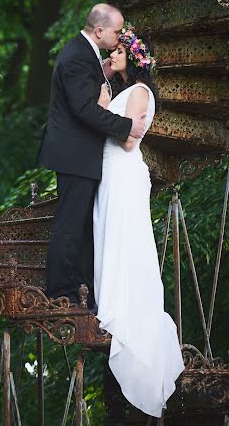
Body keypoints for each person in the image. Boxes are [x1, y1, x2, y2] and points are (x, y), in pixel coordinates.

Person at [93, 25, 184, 417]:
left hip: (123, 173)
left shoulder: (141, 92)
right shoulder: (119, 90)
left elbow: (129, 139)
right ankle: (110, 303)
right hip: (108, 174)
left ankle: (127, 320)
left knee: (124, 242)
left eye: (115, 53)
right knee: (109, 240)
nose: (109, 57)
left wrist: (99, 109)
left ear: (133, 56)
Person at [37, 4, 147, 309]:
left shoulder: (84, 54)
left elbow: (90, 94)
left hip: (81, 155)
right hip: (74, 154)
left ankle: (85, 291)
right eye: (116, 31)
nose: (119, 37)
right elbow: (84, 109)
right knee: (70, 224)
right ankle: (60, 290)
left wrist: (104, 74)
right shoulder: (76, 57)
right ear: (99, 31)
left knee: (83, 226)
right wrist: (127, 126)